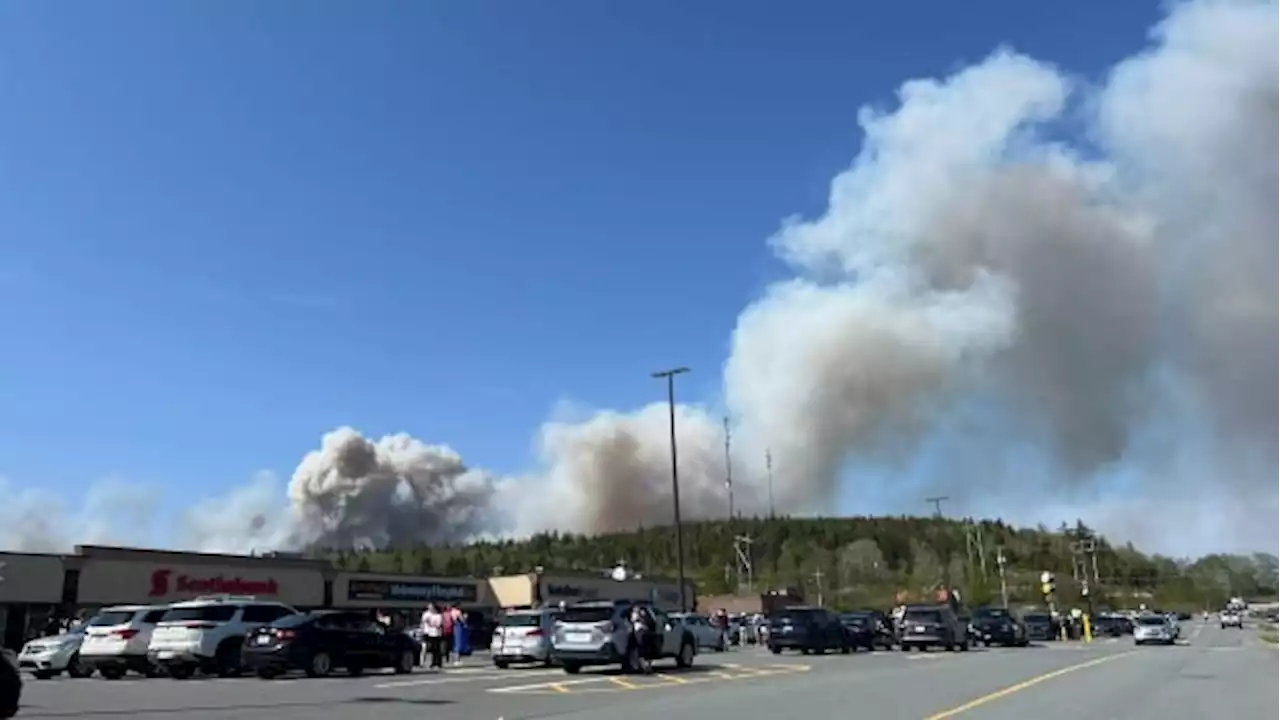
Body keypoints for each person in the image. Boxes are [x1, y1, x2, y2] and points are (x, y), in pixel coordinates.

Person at [420, 604, 444, 669]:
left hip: (436, 633)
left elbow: (438, 624)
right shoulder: (426, 614)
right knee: (428, 648)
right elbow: (423, 622)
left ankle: (437, 663)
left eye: (432, 607)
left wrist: (431, 623)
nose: (430, 609)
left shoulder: (438, 615)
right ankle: (426, 662)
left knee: (437, 649)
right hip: (429, 633)